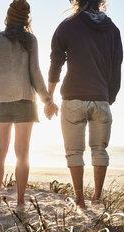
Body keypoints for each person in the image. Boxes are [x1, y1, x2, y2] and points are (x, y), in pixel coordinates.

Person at [45, 0, 123, 208]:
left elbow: (56, 63)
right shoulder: (113, 30)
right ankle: (97, 198)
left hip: (72, 98)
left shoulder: (67, 26)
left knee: (74, 152)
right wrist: (109, 97)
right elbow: (116, 68)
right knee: (100, 150)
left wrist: (49, 98)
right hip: (101, 98)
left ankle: (79, 200)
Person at [0, 0, 52, 207]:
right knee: (22, 152)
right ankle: (20, 201)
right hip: (25, 100)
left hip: (1, 100)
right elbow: (35, 73)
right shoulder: (30, 40)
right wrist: (47, 100)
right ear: (26, 20)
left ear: (7, 17)